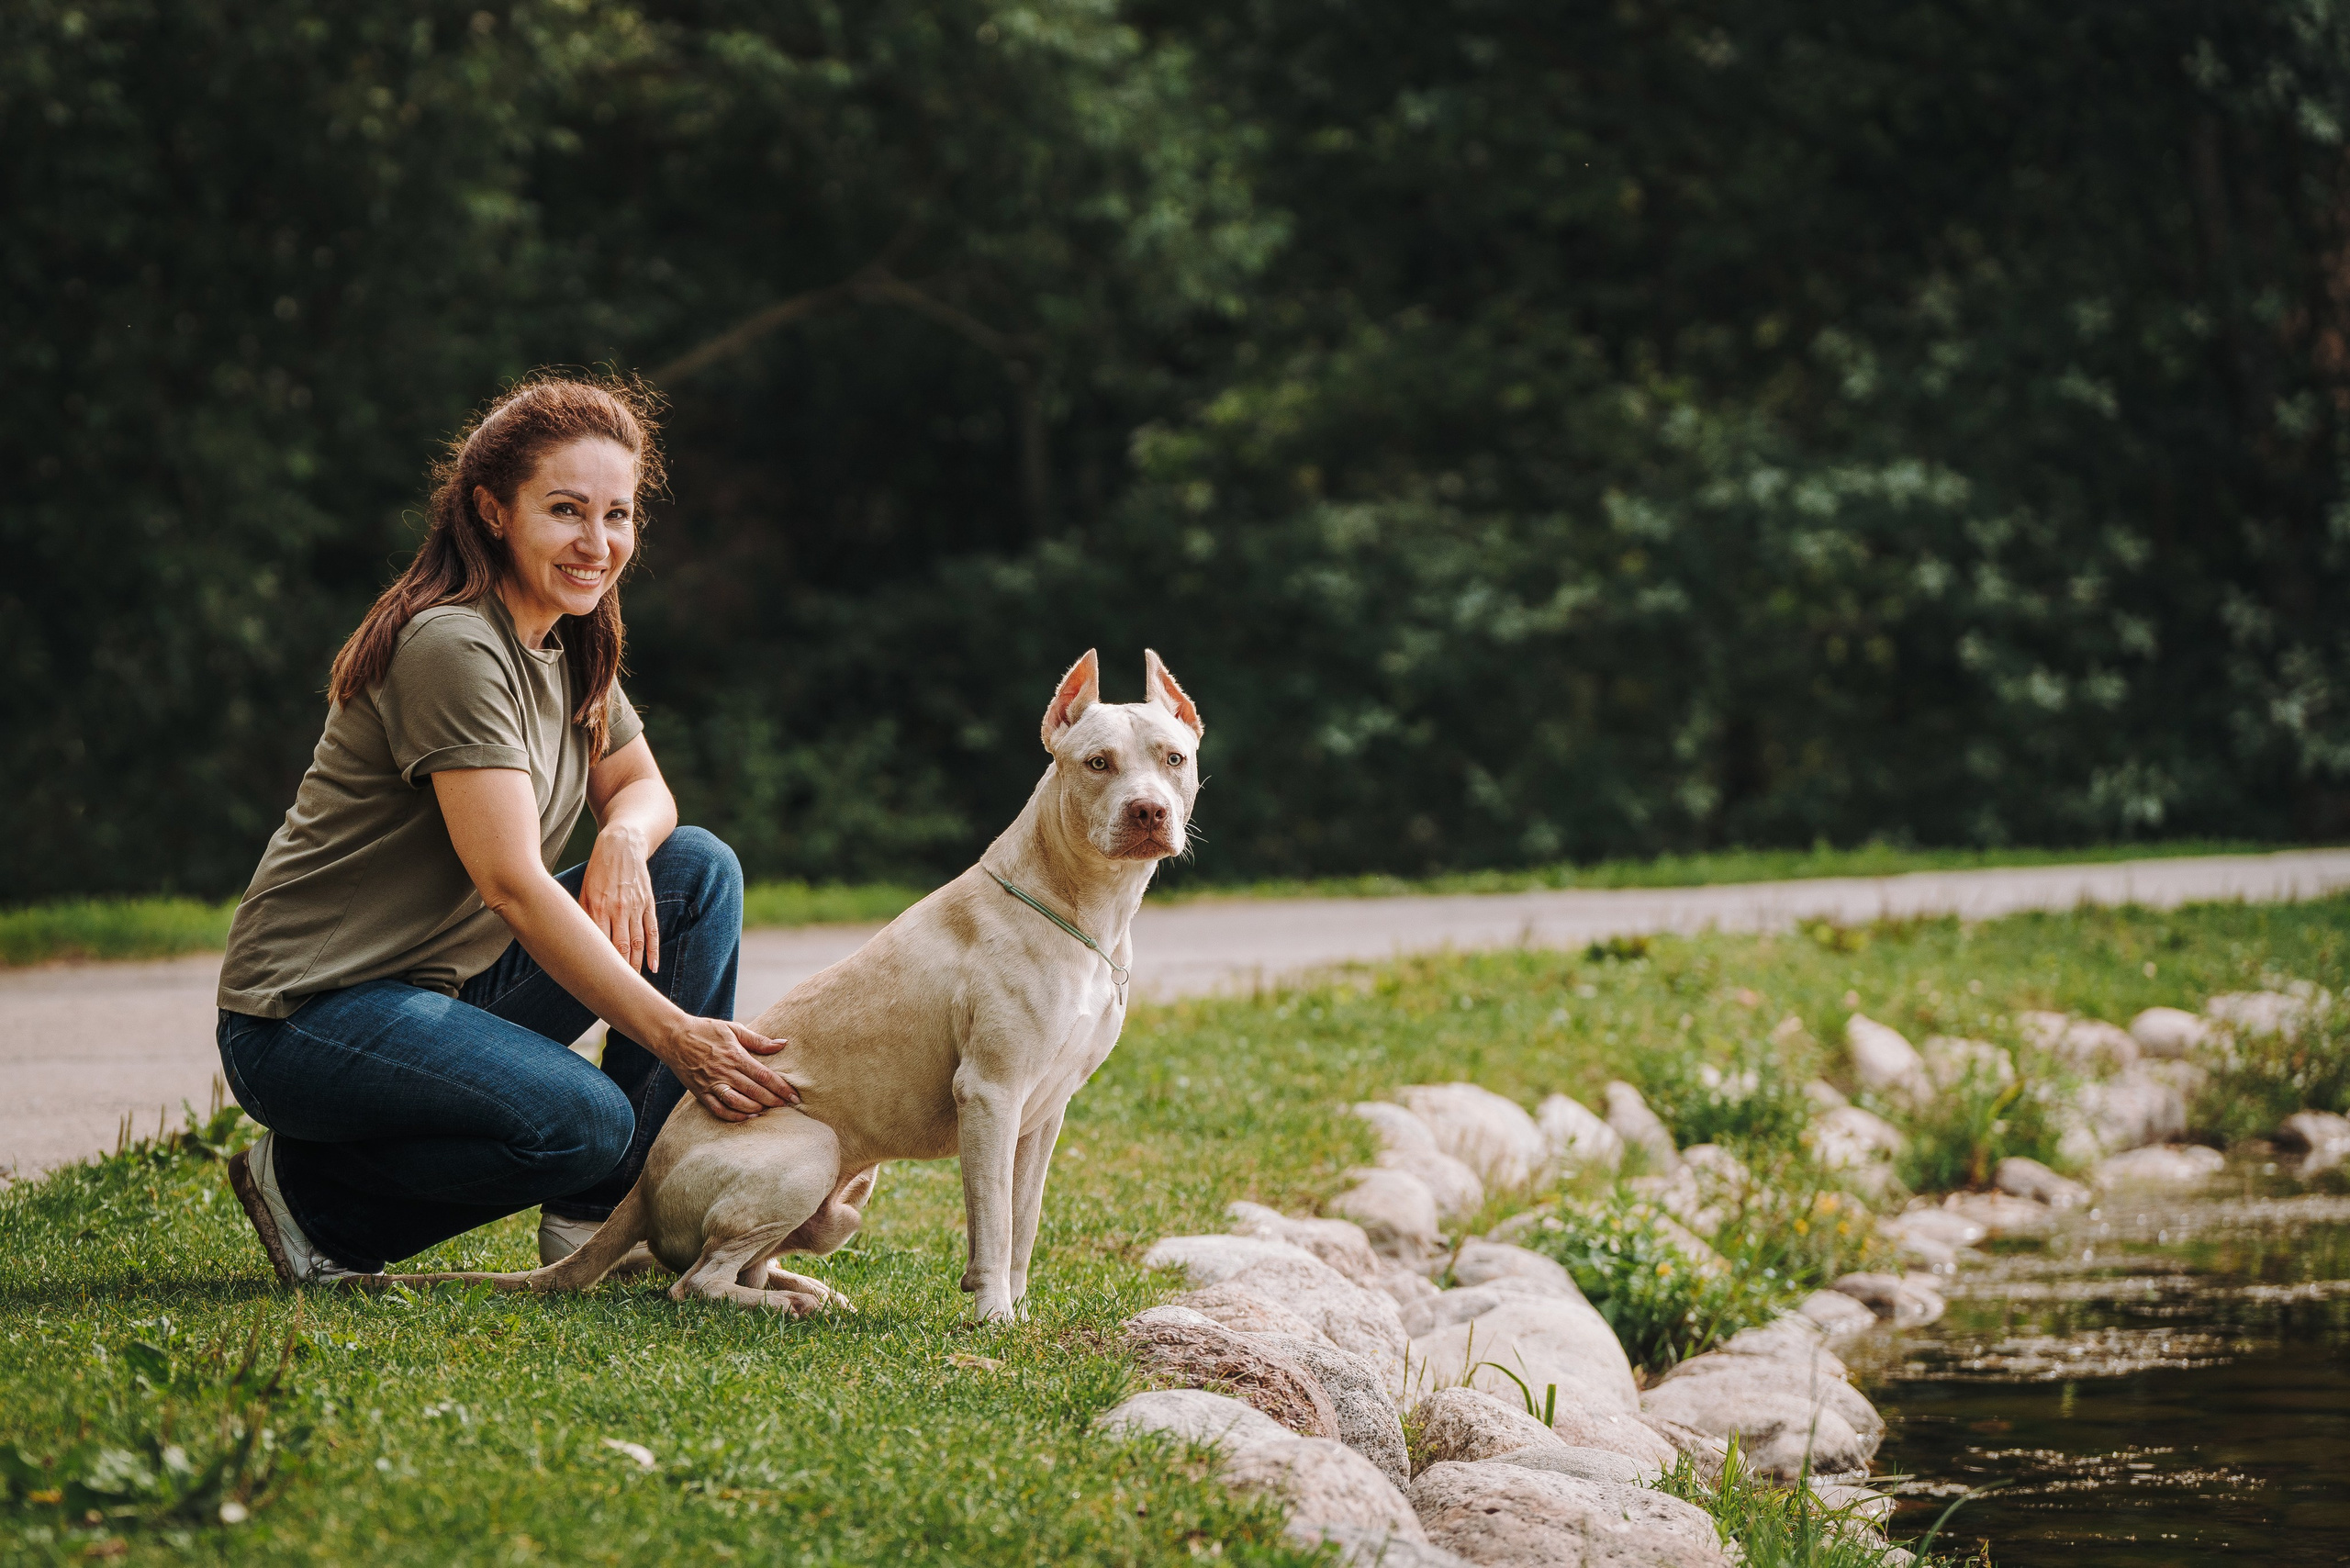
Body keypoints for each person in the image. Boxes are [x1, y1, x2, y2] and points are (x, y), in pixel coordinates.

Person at [213, 374, 797, 1284]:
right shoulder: (453, 644)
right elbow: (513, 883)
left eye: (618, 514)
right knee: (583, 1117)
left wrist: (621, 839)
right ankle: (311, 1195)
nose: (597, 544)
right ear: (491, 510)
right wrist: (679, 1036)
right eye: (566, 510)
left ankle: (603, 1224)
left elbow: (645, 789)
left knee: (694, 871)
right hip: (306, 1019)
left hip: (435, 992)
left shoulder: (568, 641)